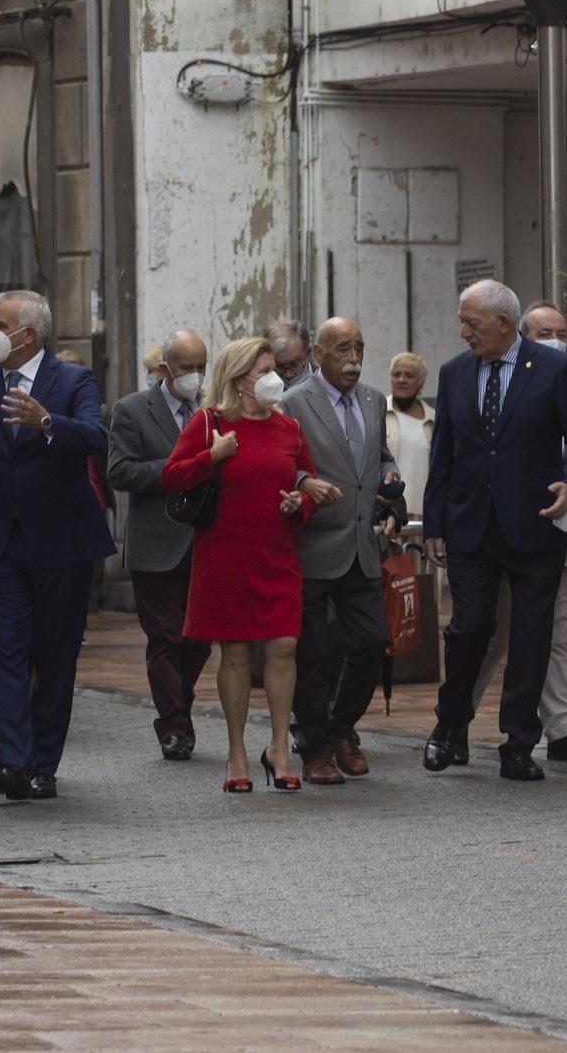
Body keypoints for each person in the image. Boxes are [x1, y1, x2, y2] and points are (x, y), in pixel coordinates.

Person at [0, 290, 113, 802]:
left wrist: (47, 422)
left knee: (54, 656)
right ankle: (9, 758)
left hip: (62, 541)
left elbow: (97, 437)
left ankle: (41, 764)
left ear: (26, 335)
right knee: (6, 651)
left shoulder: (73, 380)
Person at [420, 280, 567, 783]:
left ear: (503, 324)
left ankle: (518, 744)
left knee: (530, 639)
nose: (463, 333)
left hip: (536, 526)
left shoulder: (553, 368)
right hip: (471, 526)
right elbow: (444, 455)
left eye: (471, 323)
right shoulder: (455, 373)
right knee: (468, 630)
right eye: (462, 322)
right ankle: (449, 726)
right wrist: (435, 523)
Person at [161, 336, 318, 792]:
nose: (274, 378)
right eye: (263, 370)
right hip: (225, 553)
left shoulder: (288, 426)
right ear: (238, 379)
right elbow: (171, 476)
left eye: (275, 369)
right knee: (234, 653)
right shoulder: (210, 422)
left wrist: (299, 503)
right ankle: (236, 752)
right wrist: (212, 456)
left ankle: (279, 749)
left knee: (284, 646)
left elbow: (307, 481)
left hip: (277, 551)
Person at [472, 303, 567, 765]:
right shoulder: (502, 381)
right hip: (512, 534)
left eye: (562, 331)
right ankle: (454, 720)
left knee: (559, 634)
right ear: (523, 337)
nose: (555, 338)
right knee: (492, 636)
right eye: (545, 331)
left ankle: (562, 730)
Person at [280, 318, 401, 784]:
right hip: (313, 545)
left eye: (359, 348)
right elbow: (282, 463)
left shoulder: (373, 400)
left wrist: (389, 478)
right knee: (311, 654)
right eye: (342, 349)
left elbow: (380, 456)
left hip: (361, 546)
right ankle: (313, 747)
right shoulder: (294, 402)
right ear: (317, 353)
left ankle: (341, 726)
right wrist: (301, 484)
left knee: (371, 642)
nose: (353, 358)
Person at [107, 328, 213, 761]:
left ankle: (179, 711)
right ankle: (173, 725)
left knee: (200, 640)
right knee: (165, 637)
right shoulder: (132, 410)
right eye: (187, 367)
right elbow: (121, 472)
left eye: (201, 366)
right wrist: (180, 469)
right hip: (156, 543)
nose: (195, 375)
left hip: (205, 542)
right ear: (166, 368)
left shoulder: (212, 411)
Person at [383, 352, 435, 522]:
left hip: (425, 515)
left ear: (421, 383)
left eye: (409, 375)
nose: (401, 380)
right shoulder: (378, 413)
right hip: (388, 512)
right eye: (396, 374)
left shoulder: (434, 419)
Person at [267, 318, 313, 392]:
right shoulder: (260, 386)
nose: (288, 374)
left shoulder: (326, 381)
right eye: (280, 366)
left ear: (308, 353)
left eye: (295, 365)